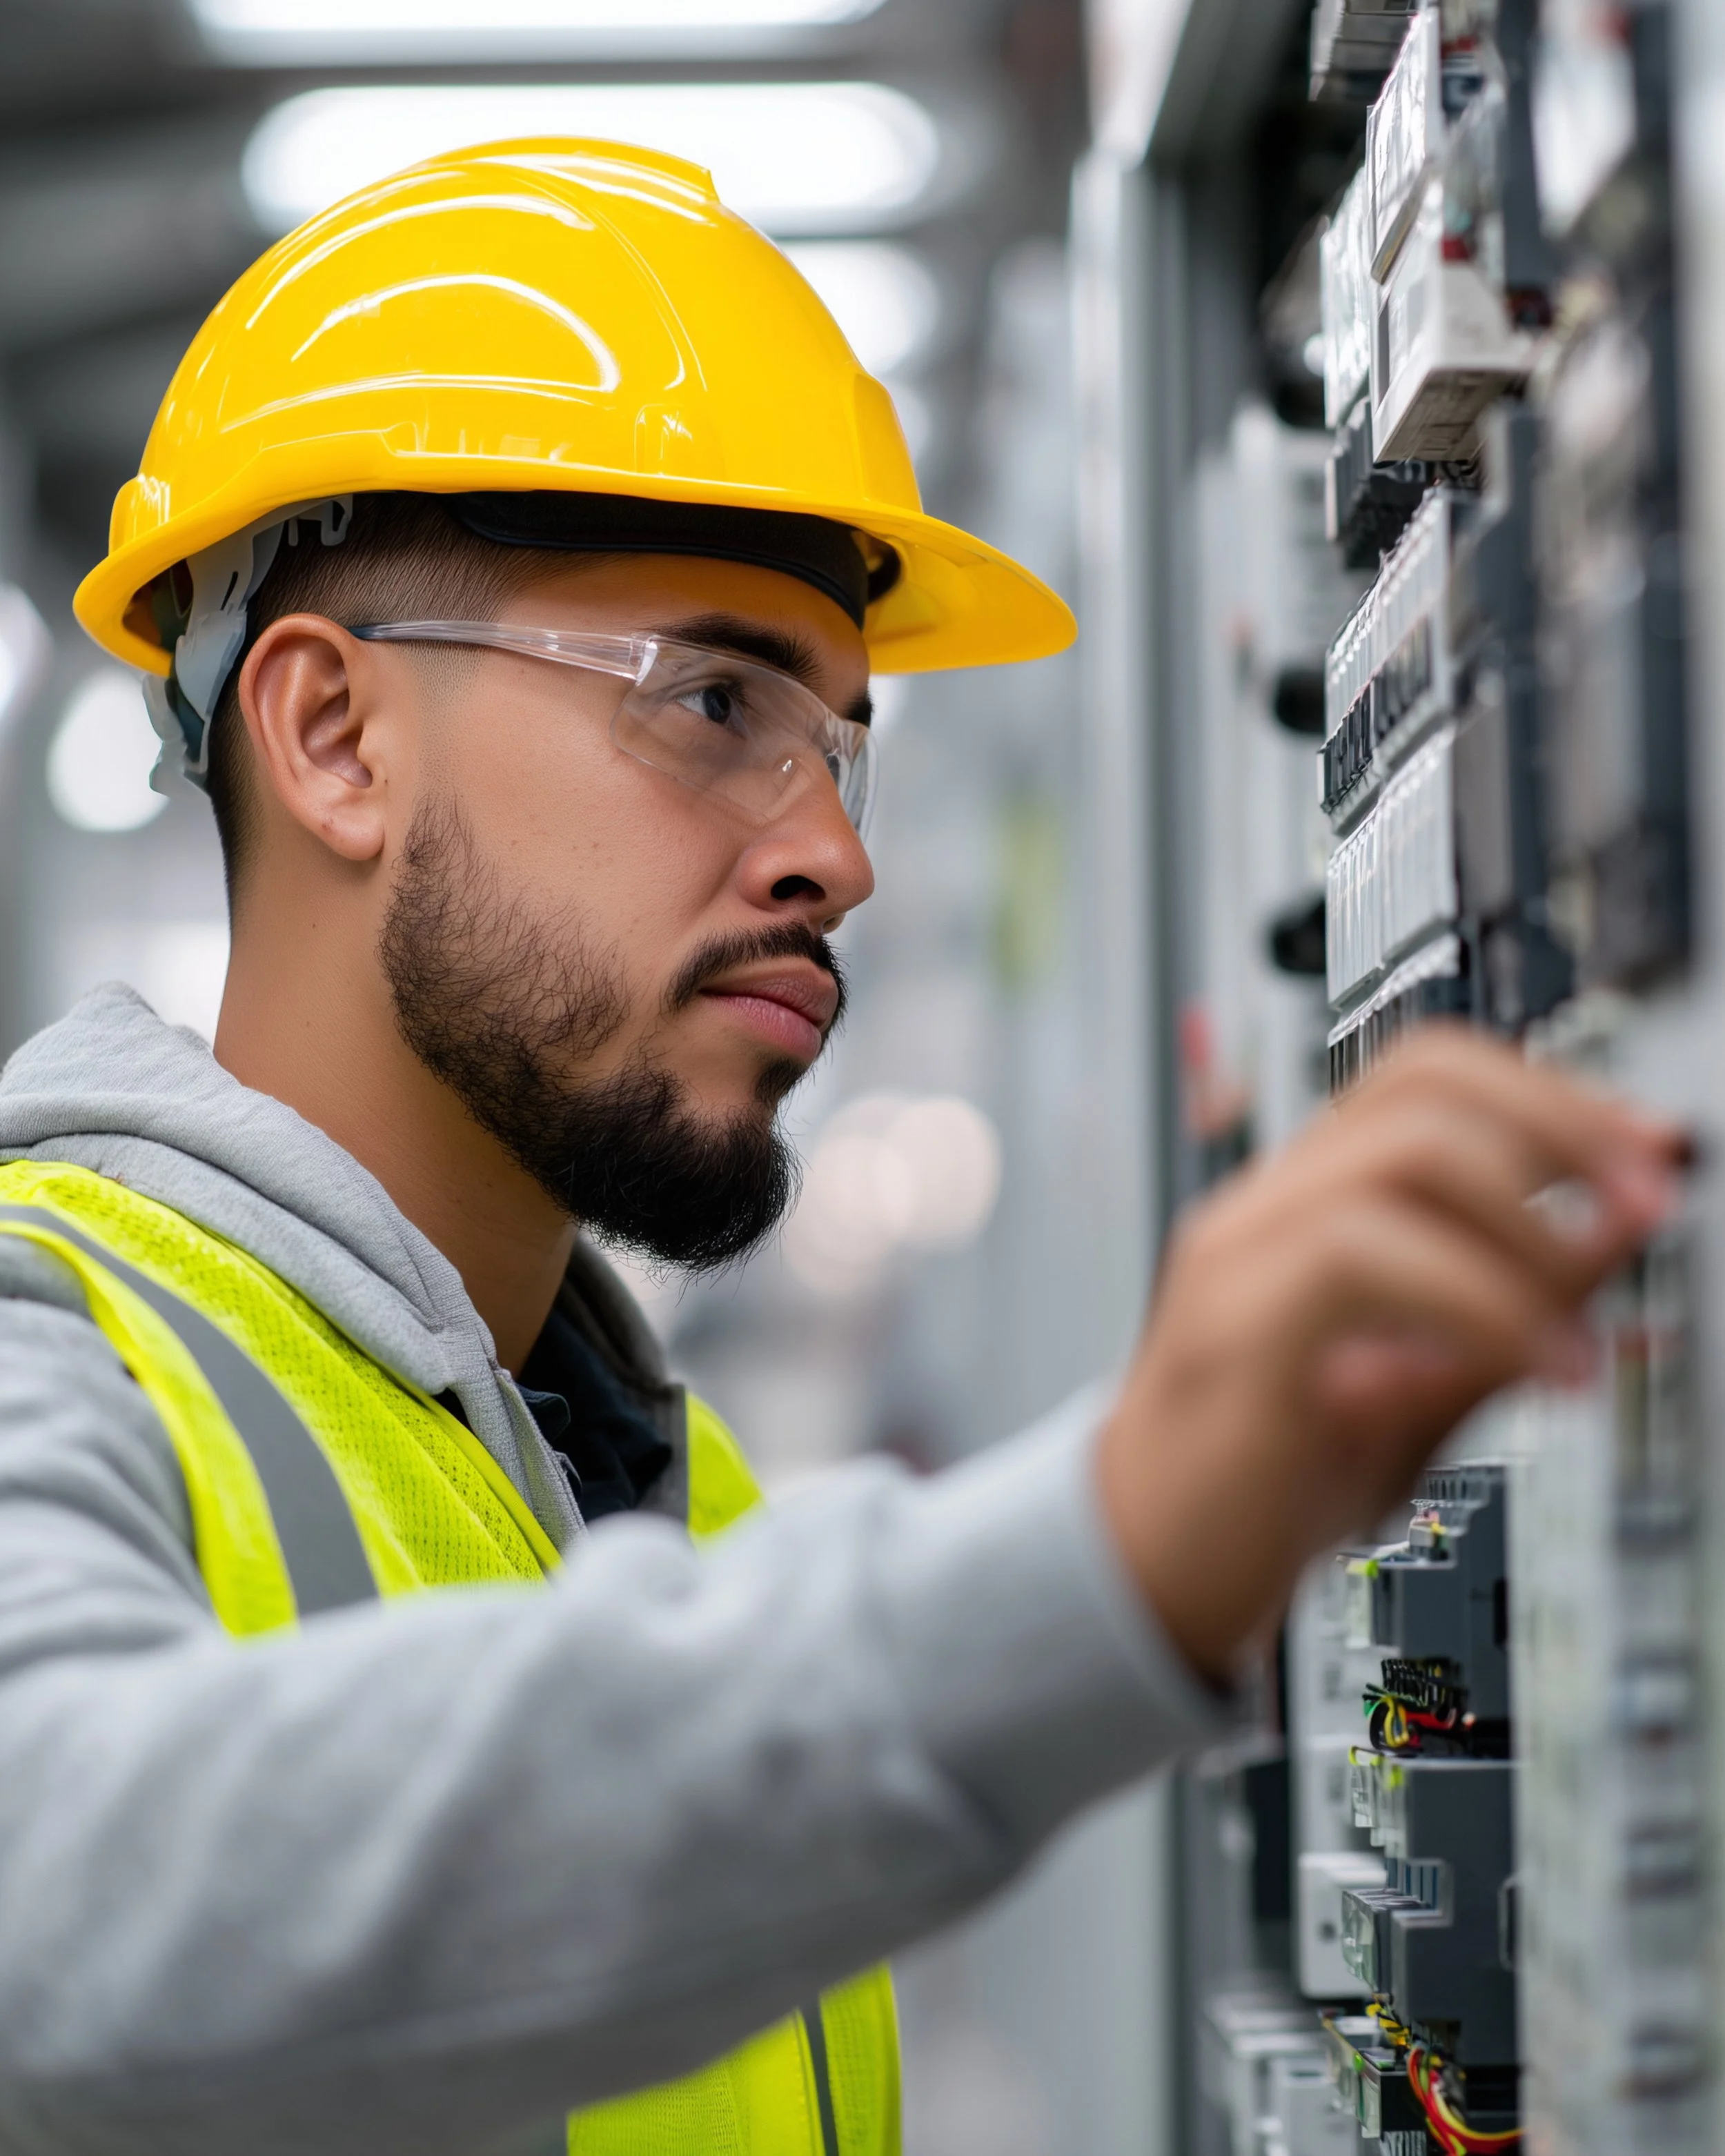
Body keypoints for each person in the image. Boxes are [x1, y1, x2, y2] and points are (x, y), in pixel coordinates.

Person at [0, 138, 1679, 2156]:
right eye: (710, 697)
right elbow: (65, 1894)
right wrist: (1108, 1543)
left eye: (841, 741)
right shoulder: (53, 1330)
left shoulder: (647, 1483)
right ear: (335, 737)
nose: (838, 853)